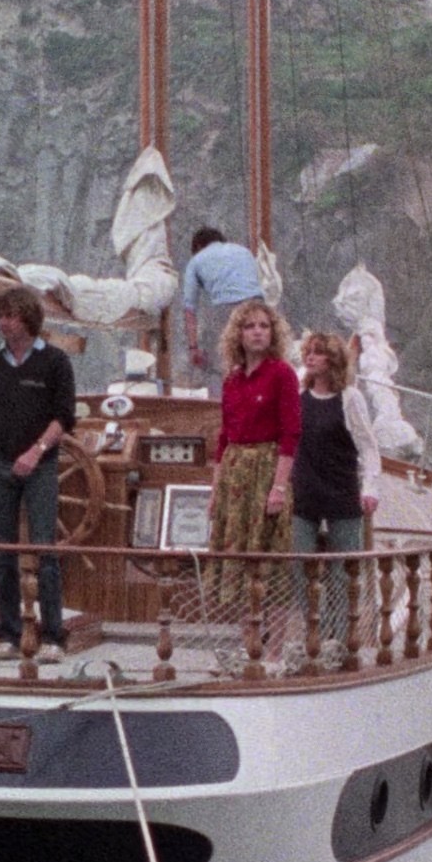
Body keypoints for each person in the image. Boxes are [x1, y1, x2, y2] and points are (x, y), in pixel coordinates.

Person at [0, 286, 77, 664]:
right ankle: (9, 634)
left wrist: (36, 452)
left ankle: (53, 637)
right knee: (2, 553)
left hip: (42, 468)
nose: (1, 323)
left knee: (44, 551)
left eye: (9, 316)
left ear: (27, 318)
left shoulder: (55, 362)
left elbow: (64, 417)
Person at [290, 330, 381, 646]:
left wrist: (370, 488)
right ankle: (317, 629)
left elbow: (368, 446)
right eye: (308, 351)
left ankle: (340, 641)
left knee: (343, 572)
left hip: (341, 491)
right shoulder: (299, 397)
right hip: (305, 494)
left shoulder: (349, 399)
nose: (310, 357)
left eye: (318, 352)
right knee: (299, 564)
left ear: (333, 359)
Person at [208, 299, 300, 607]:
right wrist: (215, 489)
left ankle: (271, 639)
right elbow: (224, 437)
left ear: (273, 333)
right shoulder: (231, 380)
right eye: (250, 326)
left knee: (269, 556)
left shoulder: (283, 374)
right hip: (235, 474)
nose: (257, 332)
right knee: (236, 552)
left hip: (267, 471)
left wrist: (279, 487)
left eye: (264, 326)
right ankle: (246, 632)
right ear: (239, 334)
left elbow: (291, 433)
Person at [181, 226, 264, 395]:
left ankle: (218, 405)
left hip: (224, 309)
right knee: (258, 362)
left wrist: (193, 347)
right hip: (257, 306)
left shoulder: (196, 260)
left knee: (218, 367)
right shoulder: (244, 251)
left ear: (198, 246)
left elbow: (189, 308)